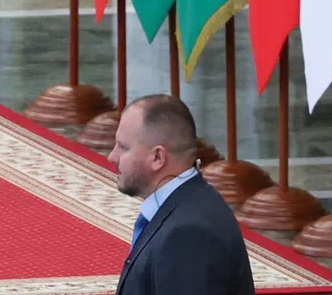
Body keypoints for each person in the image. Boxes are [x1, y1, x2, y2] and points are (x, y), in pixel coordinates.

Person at [109, 95, 254, 295]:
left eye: (123, 147)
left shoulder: (188, 233)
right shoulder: (187, 205)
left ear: (157, 157)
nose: (112, 156)